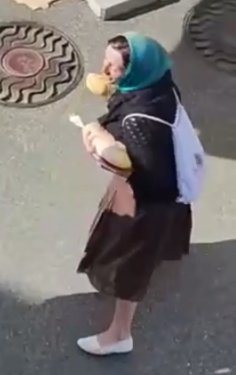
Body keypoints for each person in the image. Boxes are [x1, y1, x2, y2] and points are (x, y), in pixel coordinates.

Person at [76, 33, 193, 355]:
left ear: (134, 71)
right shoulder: (160, 86)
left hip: (145, 204)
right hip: (172, 192)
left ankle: (119, 335)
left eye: (113, 68)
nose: (104, 71)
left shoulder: (139, 121)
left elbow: (149, 177)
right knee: (146, 249)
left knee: (129, 266)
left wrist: (102, 147)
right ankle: (160, 255)